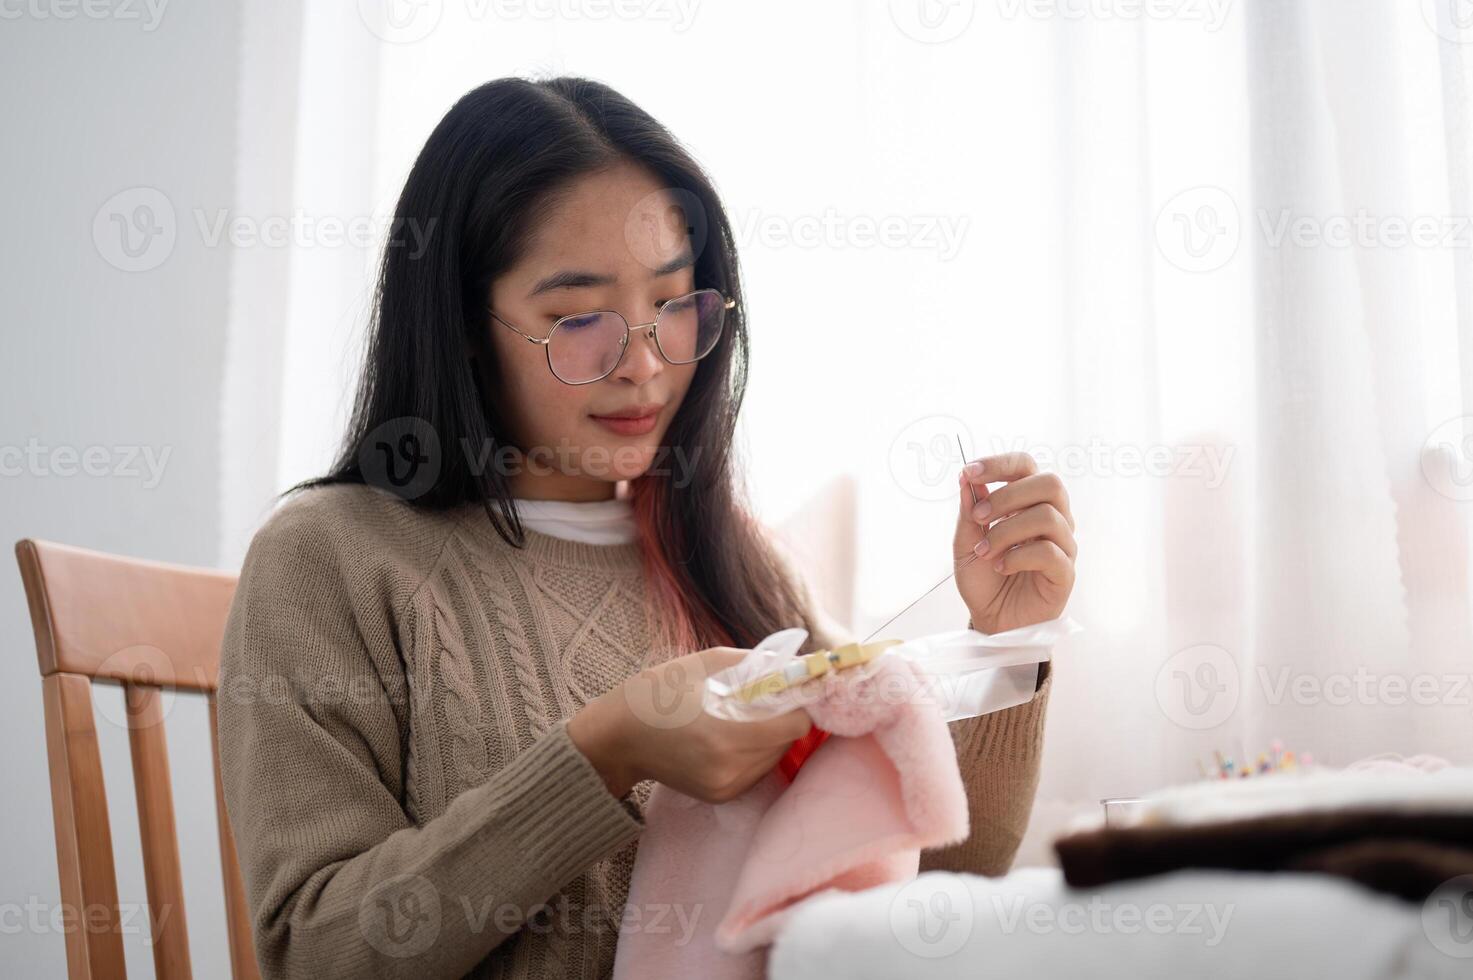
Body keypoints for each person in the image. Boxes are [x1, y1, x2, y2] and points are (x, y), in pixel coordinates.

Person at [216, 75, 1078, 980]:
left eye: (674, 306)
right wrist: (604, 750)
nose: (643, 365)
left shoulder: (736, 561)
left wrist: (1005, 643)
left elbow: (926, 881)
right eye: (580, 319)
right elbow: (315, 952)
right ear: (467, 324)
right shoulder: (331, 557)